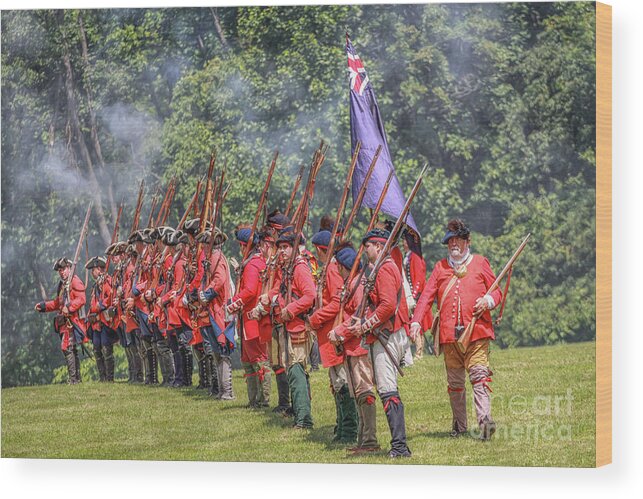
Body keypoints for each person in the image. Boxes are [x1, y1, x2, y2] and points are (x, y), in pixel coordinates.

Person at [410, 219, 501, 441]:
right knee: (455, 384)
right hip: (450, 336)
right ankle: (460, 426)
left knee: (479, 376)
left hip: (476, 332)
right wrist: (415, 322)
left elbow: (497, 292)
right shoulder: (441, 267)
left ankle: (484, 421)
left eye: (458, 240)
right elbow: (426, 297)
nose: (454, 245)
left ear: (467, 241)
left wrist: (487, 300)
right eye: (450, 241)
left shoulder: (480, 263)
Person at [345, 228, 412, 458]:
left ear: (378, 246)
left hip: (388, 335)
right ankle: (399, 445)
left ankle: (400, 447)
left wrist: (364, 326)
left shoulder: (384, 268)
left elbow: (386, 306)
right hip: (388, 333)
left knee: (386, 389)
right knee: (386, 388)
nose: (365, 249)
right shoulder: (385, 266)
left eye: (368, 246)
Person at [329, 243, 380, 454]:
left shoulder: (357, 287)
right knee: (358, 392)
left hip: (358, 346)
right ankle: (363, 439)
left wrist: (339, 331)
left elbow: (358, 316)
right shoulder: (352, 284)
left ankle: (369, 441)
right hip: (351, 347)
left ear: (343, 266)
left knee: (364, 392)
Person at [309, 231, 358, 443]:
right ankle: (342, 427)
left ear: (321, 250)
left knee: (342, 383)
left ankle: (348, 431)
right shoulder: (330, 267)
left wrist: (315, 318)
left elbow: (339, 300)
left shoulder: (331, 267)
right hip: (330, 334)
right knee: (337, 384)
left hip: (335, 330)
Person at [269, 226, 316, 429]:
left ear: (295, 248)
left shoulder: (300, 268)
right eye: (280, 247)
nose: (281, 251)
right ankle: (299, 413)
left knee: (296, 371)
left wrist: (291, 308)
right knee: (293, 371)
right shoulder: (288, 268)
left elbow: (310, 296)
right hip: (288, 324)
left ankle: (303, 419)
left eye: (286, 247)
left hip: (298, 325)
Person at [227, 225, 271, 408]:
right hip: (248, 319)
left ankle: (263, 399)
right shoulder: (253, 262)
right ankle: (253, 399)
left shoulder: (252, 264)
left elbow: (250, 291)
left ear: (245, 246)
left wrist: (234, 301)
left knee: (259, 361)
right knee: (248, 360)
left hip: (253, 319)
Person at [34, 257, 88, 384]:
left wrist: (69, 307)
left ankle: (74, 379)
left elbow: (82, 299)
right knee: (70, 349)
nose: (62, 272)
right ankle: (76, 379)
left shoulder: (75, 281)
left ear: (69, 268)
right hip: (65, 322)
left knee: (67, 348)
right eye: (60, 270)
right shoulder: (63, 285)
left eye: (63, 269)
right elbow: (58, 303)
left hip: (73, 322)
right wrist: (43, 306)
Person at [85, 256, 118, 382]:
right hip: (96, 322)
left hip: (105, 320)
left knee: (105, 347)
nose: (92, 273)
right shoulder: (96, 284)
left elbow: (111, 296)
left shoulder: (107, 281)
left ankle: (109, 378)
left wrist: (100, 306)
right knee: (96, 348)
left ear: (99, 269)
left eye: (93, 270)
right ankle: (102, 377)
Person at [401, 233, 429, 360]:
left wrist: (413, 295)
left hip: (415, 295)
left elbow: (418, 279)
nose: (403, 242)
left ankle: (419, 352)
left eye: (405, 240)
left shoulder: (415, 257)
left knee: (416, 323)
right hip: (411, 294)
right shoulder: (409, 256)